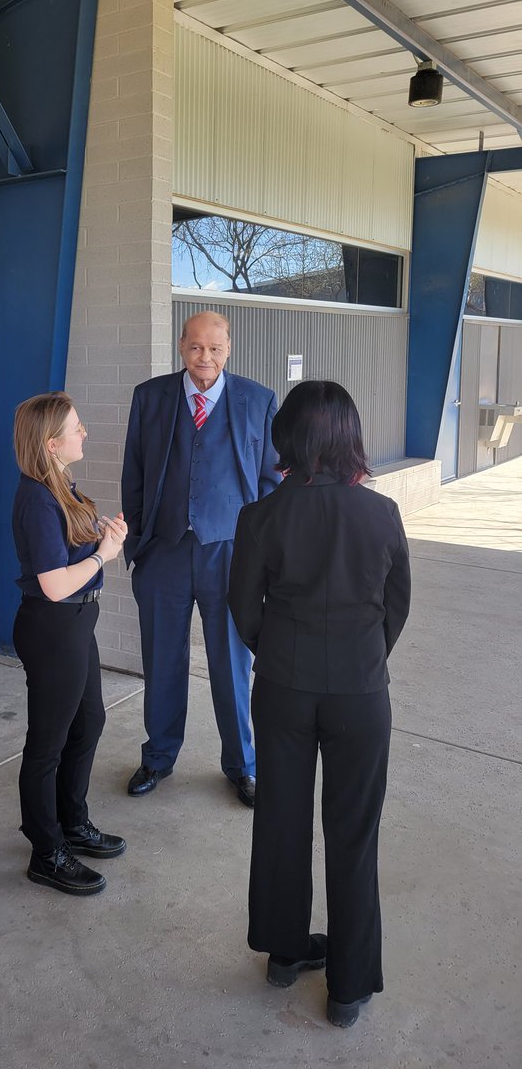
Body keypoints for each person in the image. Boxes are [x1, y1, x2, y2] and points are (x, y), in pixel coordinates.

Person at [228, 380, 411, 1029]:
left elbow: (244, 610)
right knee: (354, 836)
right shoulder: (381, 514)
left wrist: (278, 649)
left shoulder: (261, 516)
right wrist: (364, 656)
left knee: (280, 819)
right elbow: (397, 605)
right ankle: (349, 990)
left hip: (283, 686)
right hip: (360, 694)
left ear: (287, 439)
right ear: (347, 438)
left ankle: (283, 954)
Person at [121, 311, 278, 806]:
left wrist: (264, 558)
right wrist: (138, 547)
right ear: (181, 347)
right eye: (194, 348)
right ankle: (159, 756)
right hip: (164, 552)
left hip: (230, 555)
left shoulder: (258, 400)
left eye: (213, 348)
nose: (204, 358)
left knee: (232, 664)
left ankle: (242, 766)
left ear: (228, 348)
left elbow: (271, 483)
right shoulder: (151, 397)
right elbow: (135, 475)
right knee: (161, 660)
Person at [12, 392, 128, 896]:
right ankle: (46, 850)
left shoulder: (60, 486)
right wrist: (103, 555)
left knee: (90, 721)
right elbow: (55, 583)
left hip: (77, 624)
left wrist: (99, 533)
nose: (85, 434)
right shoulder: (37, 497)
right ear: (52, 442)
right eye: (77, 427)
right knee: (48, 743)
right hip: (53, 626)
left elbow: (66, 550)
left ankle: (71, 823)